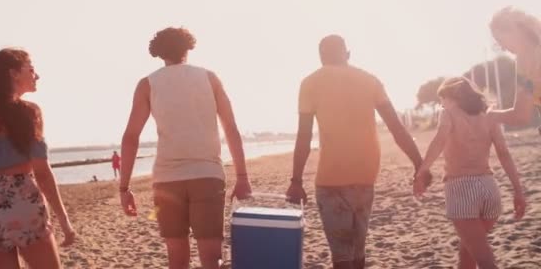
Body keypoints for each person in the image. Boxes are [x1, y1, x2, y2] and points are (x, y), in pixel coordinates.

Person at [285, 35, 430, 269]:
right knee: (357, 251)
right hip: (366, 175)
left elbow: (304, 136)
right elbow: (397, 128)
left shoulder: (310, 82)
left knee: (342, 255)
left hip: (331, 179)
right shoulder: (369, 80)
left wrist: (296, 180)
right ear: (348, 54)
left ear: (321, 57)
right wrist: (419, 165)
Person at [119, 27, 252, 269]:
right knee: (212, 258)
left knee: (176, 258)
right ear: (188, 48)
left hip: (167, 179)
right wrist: (242, 176)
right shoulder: (209, 78)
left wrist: (124, 187)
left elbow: (131, 137)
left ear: (159, 53)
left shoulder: (148, 84)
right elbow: (231, 128)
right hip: (207, 175)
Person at [0, 48, 76, 269]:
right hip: (22, 202)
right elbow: (42, 173)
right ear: (14, 73)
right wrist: (64, 221)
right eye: (31, 69)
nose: (36, 75)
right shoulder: (30, 112)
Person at [414, 77, 526, 269]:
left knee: (484, 260)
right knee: (469, 249)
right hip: (489, 190)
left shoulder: (448, 114)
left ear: (452, 97)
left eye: (443, 100)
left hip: (461, 188)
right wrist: (518, 190)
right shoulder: (488, 116)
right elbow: (503, 153)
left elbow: (440, 141)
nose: (442, 104)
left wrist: (421, 172)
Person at [489, 7, 541, 125]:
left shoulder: (524, 65)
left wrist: (489, 114)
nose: (502, 47)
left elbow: (520, 115)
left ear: (514, 30)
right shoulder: (524, 65)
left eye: (500, 40)